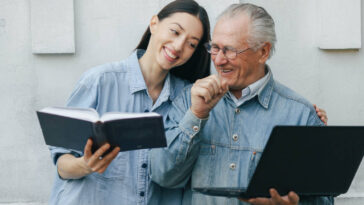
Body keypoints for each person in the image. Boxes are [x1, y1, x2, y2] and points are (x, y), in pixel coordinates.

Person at [150, 3, 333, 205]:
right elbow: (162, 176)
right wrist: (196, 115)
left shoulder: (301, 115)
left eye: (229, 50)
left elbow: (324, 198)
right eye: (215, 48)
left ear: (263, 52)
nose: (218, 60)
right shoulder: (188, 100)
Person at [48, 1, 211, 205]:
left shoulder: (189, 98)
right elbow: (62, 163)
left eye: (192, 44)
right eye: (175, 32)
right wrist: (85, 165)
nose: (179, 46)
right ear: (154, 23)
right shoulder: (99, 81)